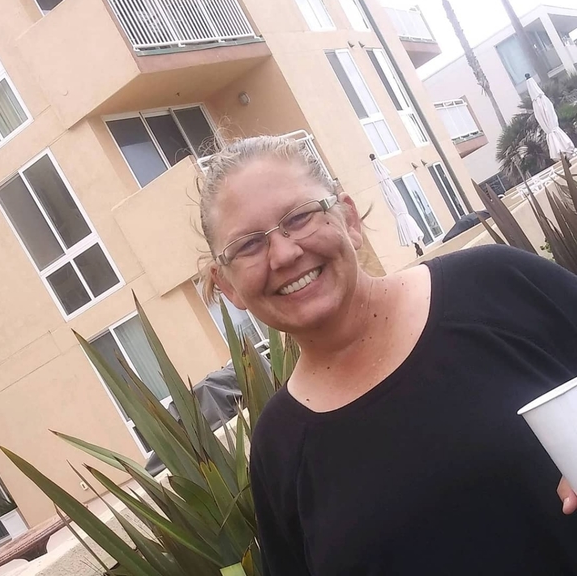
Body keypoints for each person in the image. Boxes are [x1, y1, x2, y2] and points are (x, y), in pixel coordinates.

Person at [199, 135, 577, 575]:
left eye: (299, 217)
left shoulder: (496, 285)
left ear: (348, 219)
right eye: (248, 245)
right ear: (226, 286)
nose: (283, 254)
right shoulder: (278, 448)